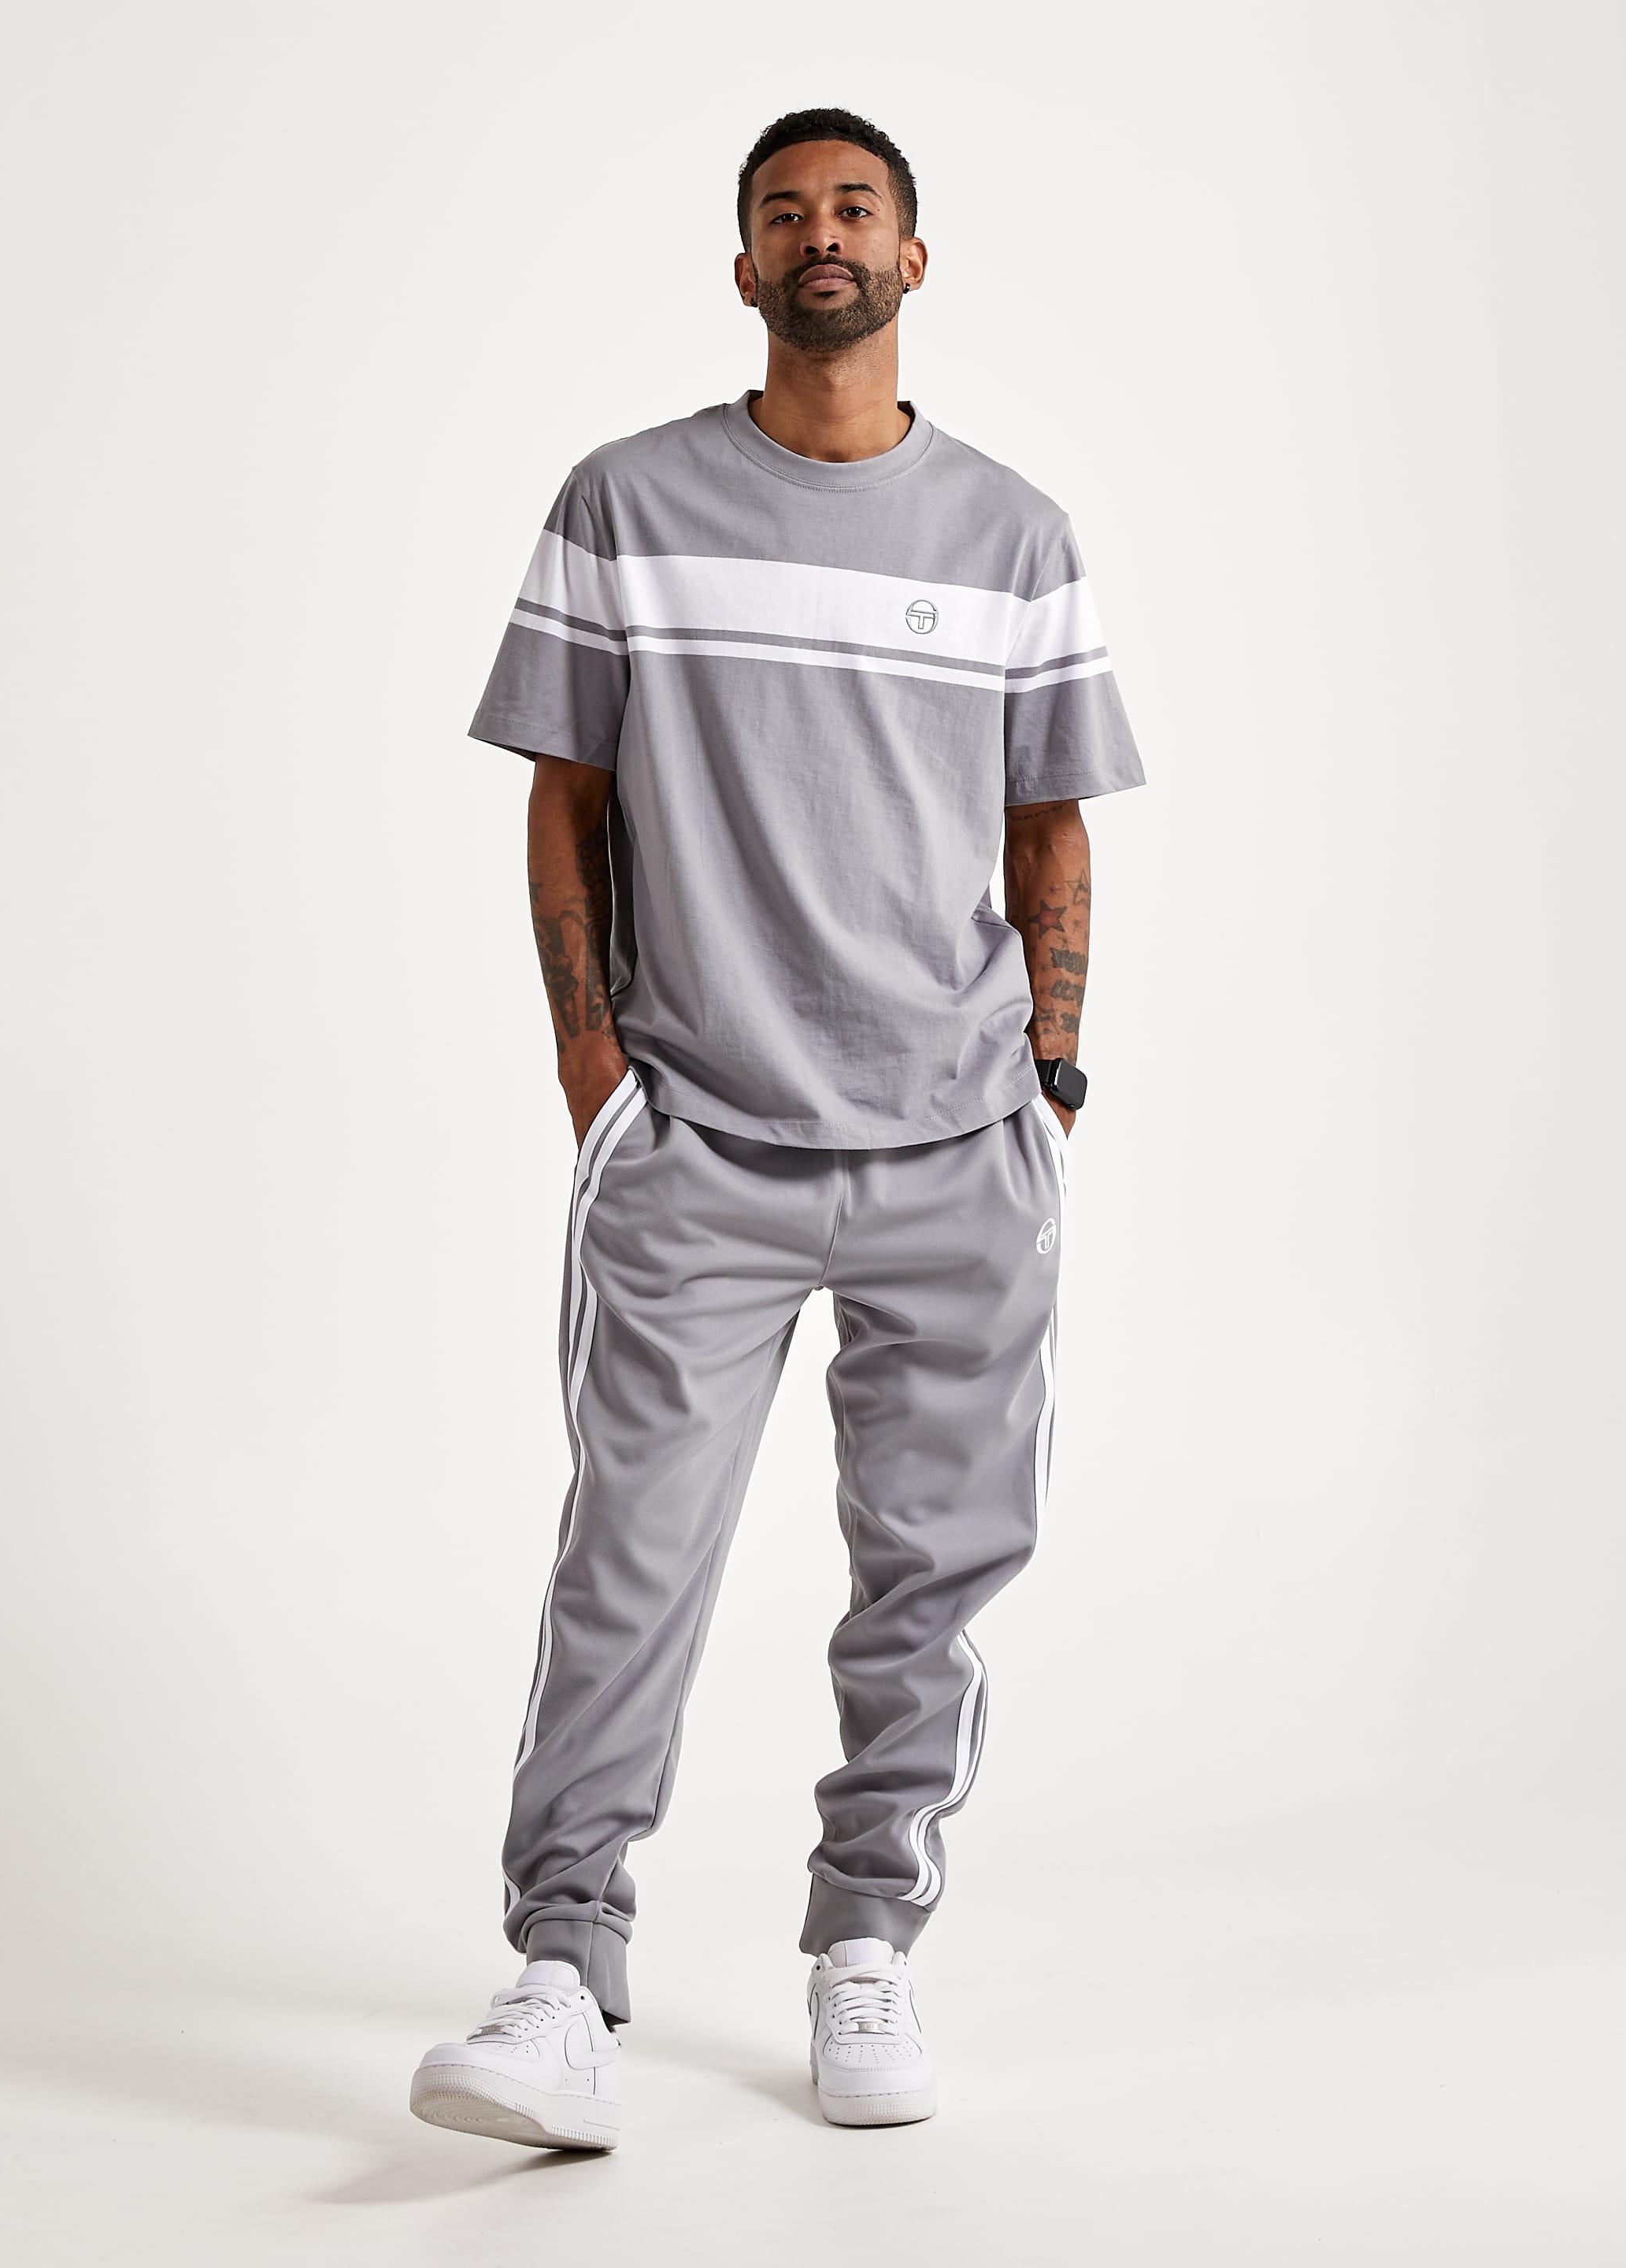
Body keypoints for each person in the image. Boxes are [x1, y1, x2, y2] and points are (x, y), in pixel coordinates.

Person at [410, 106, 1143, 2151]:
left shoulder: (1014, 534)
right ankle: (563, 1974)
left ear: (913, 258)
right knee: (628, 1562)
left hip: (955, 1143)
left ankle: (865, 1942)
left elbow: (1050, 825)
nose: (821, 234)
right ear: (743, 265)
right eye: (782, 213)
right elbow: (563, 797)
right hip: (699, 1143)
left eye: (855, 208)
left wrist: (1049, 1074)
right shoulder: (627, 504)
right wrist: (596, 1079)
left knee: (933, 1574)